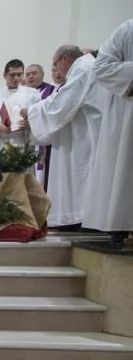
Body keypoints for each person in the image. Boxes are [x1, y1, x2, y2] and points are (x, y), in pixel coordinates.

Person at [23, 45, 109, 229]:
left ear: (65, 58)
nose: (57, 70)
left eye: (55, 64)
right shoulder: (88, 66)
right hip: (84, 134)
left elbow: (62, 104)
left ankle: (78, 221)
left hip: (84, 139)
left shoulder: (82, 67)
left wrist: (32, 112)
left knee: (79, 183)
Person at [82, 19, 133, 249]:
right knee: (124, 170)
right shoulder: (127, 29)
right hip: (127, 114)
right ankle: (120, 227)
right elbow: (102, 67)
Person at [0, 60, 41, 166]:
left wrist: (31, 124)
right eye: (12, 75)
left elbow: (40, 118)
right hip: (1, 144)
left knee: (20, 179)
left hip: (23, 144)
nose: (16, 78)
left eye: (19, 74)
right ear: (4, 75)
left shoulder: (32, 94)